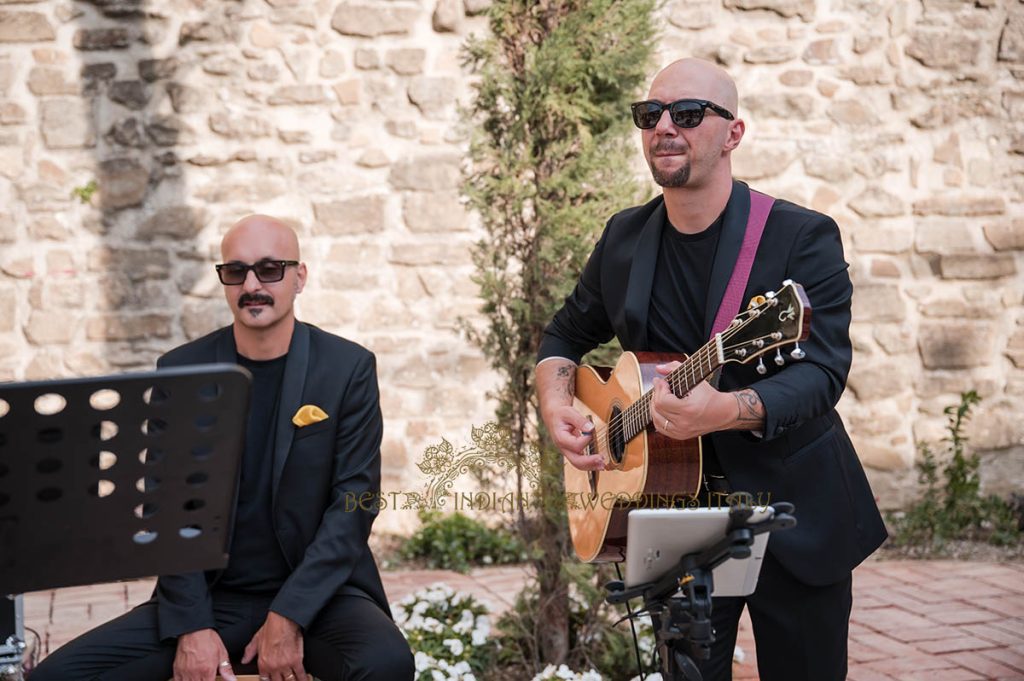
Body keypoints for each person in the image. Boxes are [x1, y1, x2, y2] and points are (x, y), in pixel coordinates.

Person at [535, 58, 887, 680]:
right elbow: (564, 334)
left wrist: (722, 411)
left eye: (688, 113)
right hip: (671, 512)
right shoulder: (624, 238)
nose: (665, 127)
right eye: (651, 115)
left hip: (792, 508)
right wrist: (558, 405)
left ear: (733, 133)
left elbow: (822, 373)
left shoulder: (800, 237)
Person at [33, 215, 414, 681]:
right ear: (224, 281)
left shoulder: (347, 368)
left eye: (270, 269)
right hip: (214, 596)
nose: (252, 284)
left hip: (320, 597)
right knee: (59, 676)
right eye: (236, 272)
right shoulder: (181, 370)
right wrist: (193, 624)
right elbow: (164, 509)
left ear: (300, 277)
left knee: (385, 663)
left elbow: (354, 506)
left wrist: (289, 615)